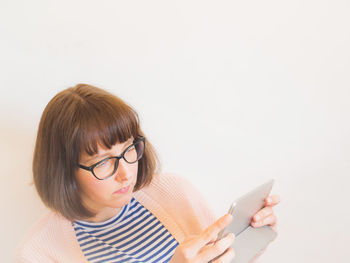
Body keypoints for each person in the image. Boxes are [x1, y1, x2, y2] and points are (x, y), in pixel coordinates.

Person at [15, 84, 280, 263]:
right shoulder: (40, 253)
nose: (125, 174)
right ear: (63, 170)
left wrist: (250, 236)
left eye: (129, 149)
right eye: (103, 162)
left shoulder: (175, 192)